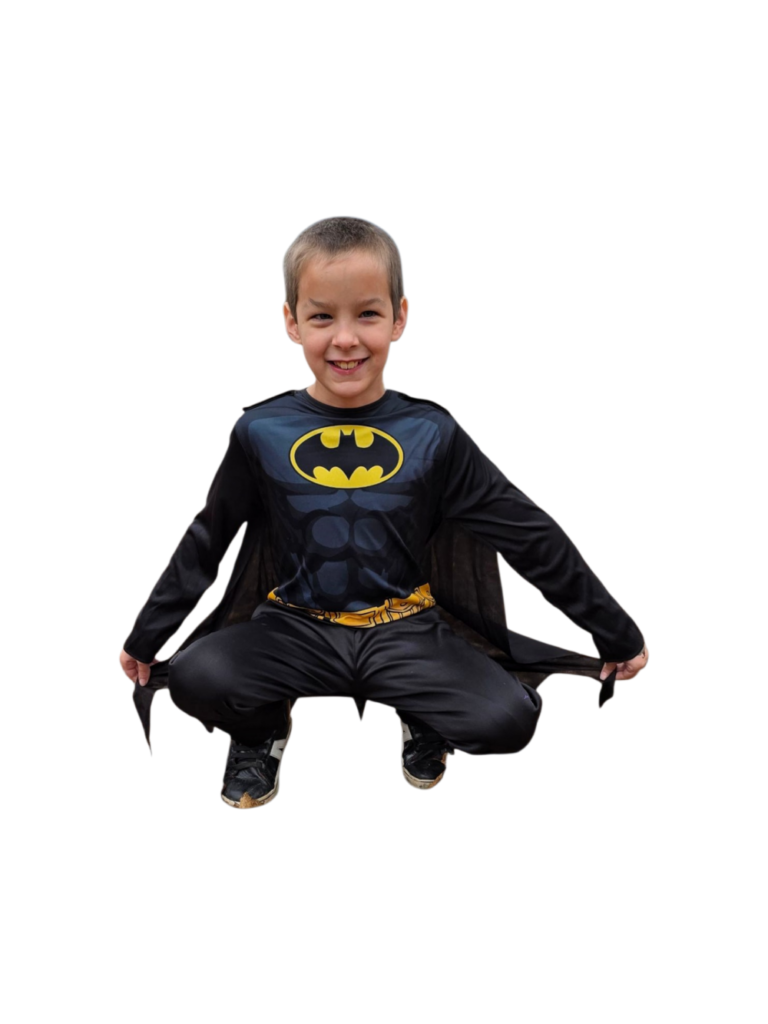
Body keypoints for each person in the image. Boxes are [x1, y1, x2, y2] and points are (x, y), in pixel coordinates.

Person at [118, 214, 650, 810]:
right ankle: (262, 731)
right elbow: (207, 537)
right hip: (294, 629)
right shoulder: (260, 429)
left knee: (506, 721)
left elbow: (528, 534)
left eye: (367, 314)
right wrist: (146, 635)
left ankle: (421, 714)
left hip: (406, 631)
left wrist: (616, 632)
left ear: (400, 317)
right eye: (323, 317)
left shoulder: (433, 432)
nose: (346, 339)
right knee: (196, 677)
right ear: (292, 322)